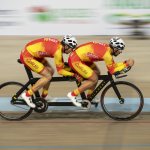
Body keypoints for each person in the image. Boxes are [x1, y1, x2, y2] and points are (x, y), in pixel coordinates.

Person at [67, 37, 134, 107]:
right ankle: (72, 94)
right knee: (94, 79)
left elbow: (113, 65)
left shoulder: (107, 49)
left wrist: (125, 62)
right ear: (115, 49)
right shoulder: (107, 55)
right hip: (75, 60)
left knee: (97, 72)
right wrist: (126, 64)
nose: (120, 52)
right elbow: (112, 71)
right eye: (120, 50)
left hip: (82, 57)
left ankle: (90, 97)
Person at [20, 35, 81, 108]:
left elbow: (62, 66)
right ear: (66, 46)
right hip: (28, 56)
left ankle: (44, 95)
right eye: (72, 48)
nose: (72, 50)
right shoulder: (58, 51)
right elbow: (61, 71)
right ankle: (27, 95)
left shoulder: (59, 45)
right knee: (48, 76)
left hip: (33, 53)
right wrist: (74, 75)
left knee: (51, 71)